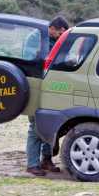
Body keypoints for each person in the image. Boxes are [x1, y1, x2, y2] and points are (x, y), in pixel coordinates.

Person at [26, 16, 69, 176]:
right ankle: (32, 163)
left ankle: (46, 159)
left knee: (50, 125)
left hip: (50, 86)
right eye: (60, 33)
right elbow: (33, 60)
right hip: (35, 84)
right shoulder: (35, 38)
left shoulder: (56, 39)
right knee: (35, 126)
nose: (61, 36)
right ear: (53, 28)